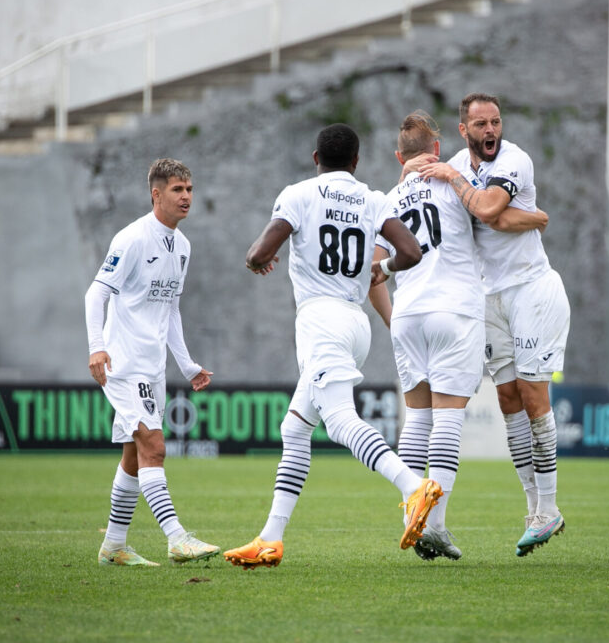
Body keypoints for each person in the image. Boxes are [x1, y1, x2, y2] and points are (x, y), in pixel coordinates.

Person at [223, 123, 443, 569]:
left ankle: (413, 487)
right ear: (357, 162)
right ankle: (270, 538)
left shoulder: (299, 193)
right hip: (354, 322)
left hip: (320, 321)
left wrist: (258, 262)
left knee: (341, 422)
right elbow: (412, 252)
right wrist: (384, 268)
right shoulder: (372, 198)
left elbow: (258, 252)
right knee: (296, 429)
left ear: (314, 157)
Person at [370, 112, 547, 561]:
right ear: (437, 150)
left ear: (398, 156)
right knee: (448, 418)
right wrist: (536, 216)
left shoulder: (388, 199)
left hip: (408, 313)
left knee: (417, 420)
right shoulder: (456, 182)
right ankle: (437, 525)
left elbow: (374, 274)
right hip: (455, 308)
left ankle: (412, 514)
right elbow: (493, 214)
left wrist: (395, 322)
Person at [410, 93, 571, 557]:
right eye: (480, 123)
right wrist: (527, 217)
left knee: (533, 393)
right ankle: (534, 511)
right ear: (464, 130)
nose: (490, 130)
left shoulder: (514, 159)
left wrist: (469, 190)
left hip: (531, 289)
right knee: (506, 398)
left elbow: (485, 209)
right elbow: (499, 216)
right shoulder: (458, 163)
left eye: (496, 121)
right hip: (487, 295)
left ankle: (551, 507)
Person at [85, 157, 219, 567]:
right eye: (178, 190)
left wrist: (187, 365)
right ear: (156, 194)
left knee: (133, 454)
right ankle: (177, 538)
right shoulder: (132, 239)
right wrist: (96, 346)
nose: (187, 197)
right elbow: (95, 295)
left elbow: (171, 310)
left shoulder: (182, 246)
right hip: (123, 364)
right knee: (154, 447)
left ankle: (114, 546)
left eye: (190, 189)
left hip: (153, 366)